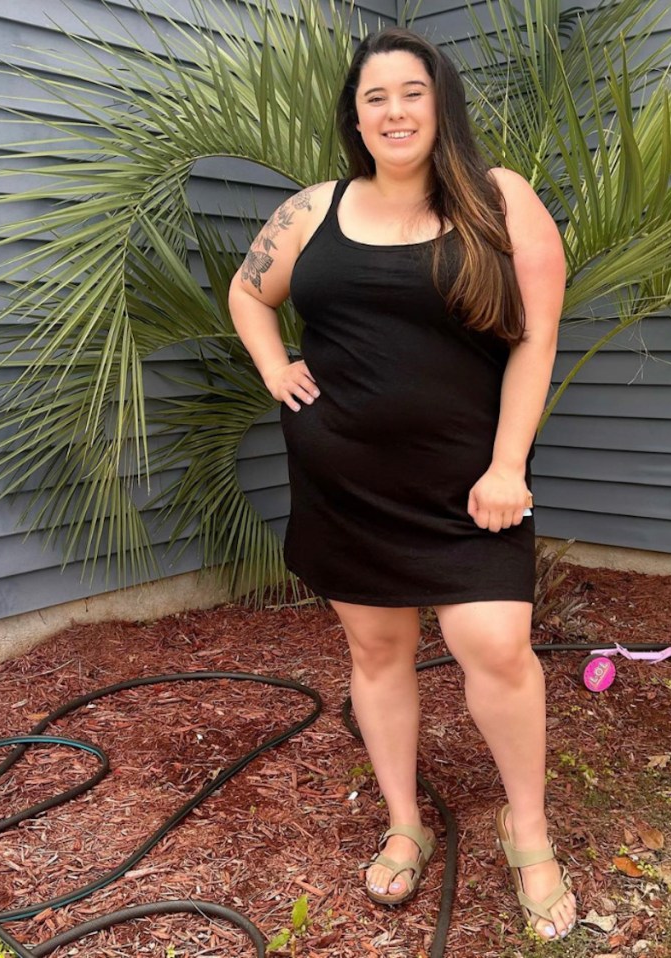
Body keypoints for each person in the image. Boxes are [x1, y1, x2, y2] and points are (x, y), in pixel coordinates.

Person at [228, 26, 575, 942]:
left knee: (496, 647)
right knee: (377, 656)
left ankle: (528, 834)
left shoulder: (500, 201)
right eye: (375, 97)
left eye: (411, 92)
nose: (394, 111)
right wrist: (273, 366)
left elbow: (536, 337)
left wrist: (508, 465)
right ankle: (404, 821)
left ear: (440, 101)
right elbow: (246, 292)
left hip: (470, 489)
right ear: (355, 114)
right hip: (345, 480)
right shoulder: (312, 210)